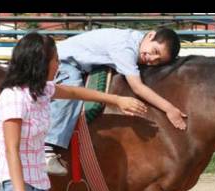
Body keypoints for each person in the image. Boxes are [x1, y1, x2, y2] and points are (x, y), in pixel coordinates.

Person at [0, 32, 147, 191]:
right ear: (40, 63)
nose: (58, 64)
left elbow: (75, 93)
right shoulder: (14, 97)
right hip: (18, 189)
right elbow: (12, 150)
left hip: (40, 187)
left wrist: (117, 100)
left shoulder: (43, 90)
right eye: (55, 60)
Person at [44, 27, 187, 176]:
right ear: (150, 35)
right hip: (64, 61)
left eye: (158, 61)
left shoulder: (139, 41)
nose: (151, 60)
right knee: (71, 89)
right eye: (155, 52)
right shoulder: (125, 47)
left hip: (79, 64)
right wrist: (169, 108)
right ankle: (46, 148)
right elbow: (137, 87)